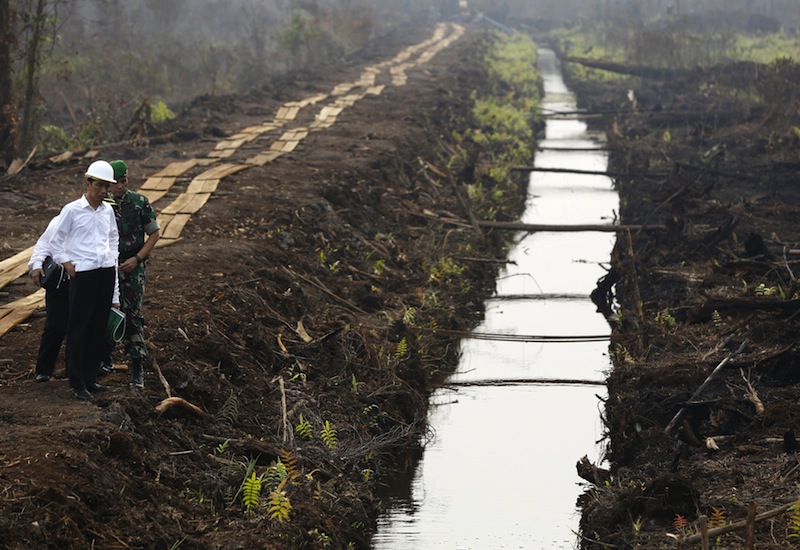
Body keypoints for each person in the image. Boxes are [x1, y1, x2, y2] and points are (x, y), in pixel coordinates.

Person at [50, 160, 120, 400]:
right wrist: (67, 263)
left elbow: (113, 242)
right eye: (100, 185)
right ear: (88, 182)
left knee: (98, 327)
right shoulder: (72, 210)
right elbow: (56, 241)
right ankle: (77, 382)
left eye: (107, 187)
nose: (103, 191)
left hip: (105, 271)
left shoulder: (108, 211)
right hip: (83, 273)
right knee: (78, 327)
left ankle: (91, 378)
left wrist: (115, 284)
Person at [101, 160, 160, 389]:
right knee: (103, 312)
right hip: (106, 266)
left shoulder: (138, 202)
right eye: (115, 182)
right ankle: (104, 358)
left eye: (123, 181)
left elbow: (154, 234)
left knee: (132, 314)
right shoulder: (101, 205)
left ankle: (137, 368)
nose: (119, 186)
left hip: (132, 267)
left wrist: (137, 260)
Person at [28, 215, 70, 382]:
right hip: (60, 281)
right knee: (54, 325)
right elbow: (44, 243)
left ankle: (74, 370)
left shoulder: (106, 220)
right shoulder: (66, 216)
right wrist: (37, 263)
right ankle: (44, 370)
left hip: (87, 280)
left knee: (80, 327)